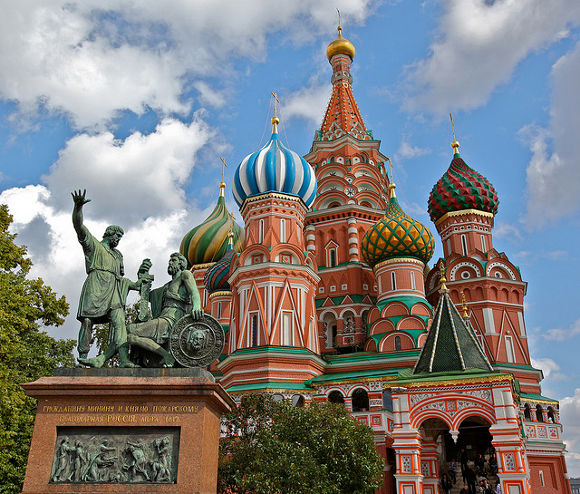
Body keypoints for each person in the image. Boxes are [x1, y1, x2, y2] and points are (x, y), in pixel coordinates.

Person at [72, 189, 145, 367]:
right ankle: (83, 357)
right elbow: (79, 227)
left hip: (113, 292)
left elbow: (122, 279)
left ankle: (124, 360)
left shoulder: (118, 255)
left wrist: (138, 282)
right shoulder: (94, 246)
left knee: (120, 321)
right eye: (117, 235)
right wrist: (78, 207)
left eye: (120, 237)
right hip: (95, 285)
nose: (118, 239)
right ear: (108, 234)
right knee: (88, 321)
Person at [127, 253, 203, 367]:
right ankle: (162, 355)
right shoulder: (167, 286)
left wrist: (197, 306)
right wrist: (142, 277)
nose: (170, 263)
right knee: (128, 330)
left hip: (172, 319)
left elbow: (194, 292)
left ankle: (167, 356)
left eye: (173, 260)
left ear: (181, 263)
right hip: (163, 317)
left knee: (132, 336)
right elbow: (147, 296)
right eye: (169, 260)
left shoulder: (185, 274)